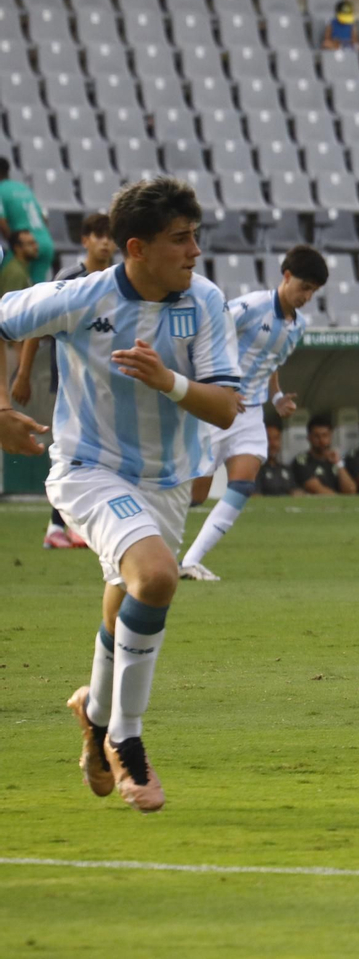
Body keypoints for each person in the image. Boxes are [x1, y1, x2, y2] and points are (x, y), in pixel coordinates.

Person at [0, 177, 242, 813]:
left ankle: (94, 718)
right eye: (180, 240)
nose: (194, 252)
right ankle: (127, 739)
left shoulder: (207, 301)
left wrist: (171, 383)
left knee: (125, 603)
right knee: (158, 577)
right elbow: (3, 319)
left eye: (196, 237)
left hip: (167, 480)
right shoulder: (83, 297)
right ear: (136, 247)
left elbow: (226, 407)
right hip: (89, 468)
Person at [178, 245, 328, 581]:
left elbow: (270, 363)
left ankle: (189, 560)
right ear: (286, 276)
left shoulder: (297, 326)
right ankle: (141, 534)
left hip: (249, 415)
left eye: (313, 292)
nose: (307, 296)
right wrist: (220, 386)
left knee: (242, 485)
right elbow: (208, 336)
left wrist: (275, 398)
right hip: (216, 406)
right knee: (195, 495)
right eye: (304, 287)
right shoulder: (251, 307)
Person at [11, 213, 116, 549]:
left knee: (96, 453)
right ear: (84, 240)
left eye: (109, 236)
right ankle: (61, 525)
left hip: (110, 383)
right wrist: (23, 374)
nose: (104, 242)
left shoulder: (121, 280)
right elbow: (36, 324)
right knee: (73, 450)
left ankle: (65, 525)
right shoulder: (71, 277)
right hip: (71, 379)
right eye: (97, 235)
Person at [0, 157, 55, 283]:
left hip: (24, 245)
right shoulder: (23, 188)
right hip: (45, 243)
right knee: (36, 291)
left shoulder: (0, 190)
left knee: (8, 280)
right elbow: (44, 219)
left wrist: (16, 244)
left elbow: (1, 222)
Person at [292, 415, 356, 495]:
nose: (321, 440)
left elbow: (351, 490)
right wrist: (340, 501)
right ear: (309, 438)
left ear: (331, 436)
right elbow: (317, 489)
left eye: (325, 435)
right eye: (317, 436)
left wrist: (338, 463)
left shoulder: (336, 461)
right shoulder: (301, 461)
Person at [255, 423, 298, 497]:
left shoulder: (286, 469)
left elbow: (295, 491)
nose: (273, 444)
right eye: (268, 439)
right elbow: (255, 496)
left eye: (276, 439)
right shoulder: (255, 469)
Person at [1, 227, 36, 296]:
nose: (35, 247)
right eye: (30, 244)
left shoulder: (21, 267)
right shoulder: (15, 271)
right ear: (17, 248)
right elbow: (10, 303)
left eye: (34, 243)